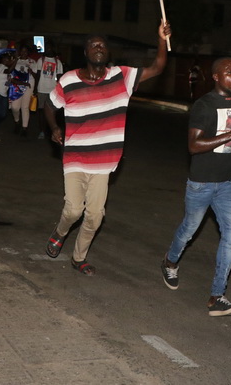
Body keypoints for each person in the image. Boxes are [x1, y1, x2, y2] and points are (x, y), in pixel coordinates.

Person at [43, 21, 172, 276]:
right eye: (93, 45)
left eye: (102, 45)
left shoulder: (121, 77)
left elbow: (158, 67)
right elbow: (49, 106)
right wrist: (54, 128)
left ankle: (79, 257)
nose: (99, 48)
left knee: (94, 216)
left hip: (103, 162)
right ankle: (59, 232)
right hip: (76, 158)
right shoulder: (68, 80)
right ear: (86, 52)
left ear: (108, 53)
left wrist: (160, 39)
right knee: (72, 209)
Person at [161, 57, 231, 316]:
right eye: (229, 72)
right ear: (216, 76)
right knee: (189, 229)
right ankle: (170, 261)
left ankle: (217, 296)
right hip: (201, 183)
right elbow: (194, 146)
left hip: (228, 184)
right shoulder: (203, 105)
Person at [34, 39, 64, 140]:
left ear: (53, 49)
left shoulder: (58, 62)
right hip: (41, 89)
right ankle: (42, 131)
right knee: (41, 111)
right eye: (46, 48)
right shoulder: (40, 60)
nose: (48, 49)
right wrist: (35, 88)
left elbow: (60, 77)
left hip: (53, 91)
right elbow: (37, 75)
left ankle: (52, 131)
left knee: (52, 112)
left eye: (50, 47)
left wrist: (60, 90)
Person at [9, 45, 37, 137]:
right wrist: (16, 60)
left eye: (25, 51)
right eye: (22, 51)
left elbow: (36, 76)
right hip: (17, 86)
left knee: (25, 107)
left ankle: (24, 128)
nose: (24, 53)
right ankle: (17, 121)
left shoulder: (32, 61)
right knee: (15, 107)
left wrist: (31, 71)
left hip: (29, 85)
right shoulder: (16, 61)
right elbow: (10, 71)